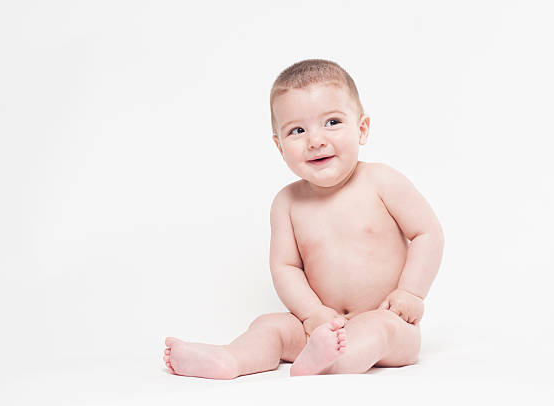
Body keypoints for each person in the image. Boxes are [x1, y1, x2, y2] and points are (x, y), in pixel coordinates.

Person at [163, 59, 444, 378]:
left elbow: (427, 233)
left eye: (333, 122)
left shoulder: (382, 181)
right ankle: (233, 359)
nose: (315, 140)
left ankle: (332, 362)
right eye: (297, 130)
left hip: (388, 320)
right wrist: (312, 314)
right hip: (319, 326)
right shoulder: (287, 203)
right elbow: (286, 267)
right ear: (279, 146)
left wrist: (410, 293)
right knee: (269, 325)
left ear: (362, 129)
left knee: (378, 330)